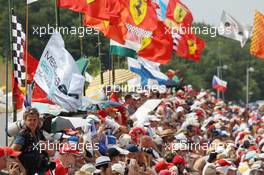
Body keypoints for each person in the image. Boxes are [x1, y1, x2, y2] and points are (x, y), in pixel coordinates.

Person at [11, 108, 52, 175]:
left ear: (38, 120)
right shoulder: (23, 135)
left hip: (38, 170)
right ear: (25, 121)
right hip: (27, 172)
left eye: (34, 120)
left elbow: (50, 151)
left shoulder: (38, 133)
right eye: (29, 120)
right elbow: (12, 153)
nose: (32, 122)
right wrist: (22, 169)